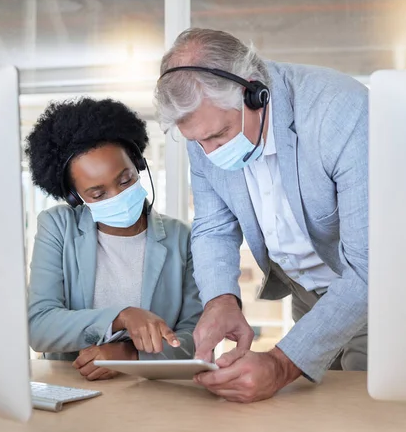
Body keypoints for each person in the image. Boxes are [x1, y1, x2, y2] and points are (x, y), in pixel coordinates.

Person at [155, 28, 368, 402]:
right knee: (318, 409)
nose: (209, 152)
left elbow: (370, 269)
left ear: (255, 93)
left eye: (220, 134)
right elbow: (213, 227)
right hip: (307, 293)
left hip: (372, 294)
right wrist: (221, 300)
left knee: (366, 408)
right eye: (197, 142)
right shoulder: (205, 129)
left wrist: (281, 363)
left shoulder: (341, 112)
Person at [25, 98, 202, 381]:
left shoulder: (182, 238)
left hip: (152, 394)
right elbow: (39, 327)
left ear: (138, 165)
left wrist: (133, 356)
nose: (116, 196)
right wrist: (122, 317)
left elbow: (196, 337)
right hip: (73, 388)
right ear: (75, 197)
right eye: (98, 194)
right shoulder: (58, 226)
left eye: (125, 179)